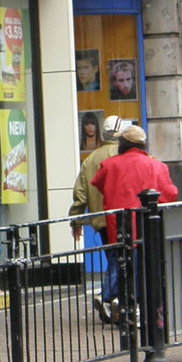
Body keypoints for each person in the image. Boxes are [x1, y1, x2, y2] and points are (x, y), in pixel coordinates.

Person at [89, 126, 178, 332]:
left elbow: (98, 183)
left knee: (122, 264)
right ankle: (135, 309)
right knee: (143, 269)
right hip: (145, 225)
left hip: (117, 224)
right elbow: (170, 194)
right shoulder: (156, 165)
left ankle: (122, 303)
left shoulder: (109, 165)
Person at [69, 114, 128, 324]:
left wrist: (76, 220)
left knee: (114, 257)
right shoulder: (124, 155)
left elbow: (81, 194)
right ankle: (107, 296)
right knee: (120, 259)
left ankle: (115, 301)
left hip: (101, 219)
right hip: (121, 216)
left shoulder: (92, 159)